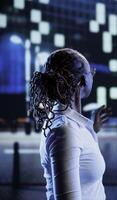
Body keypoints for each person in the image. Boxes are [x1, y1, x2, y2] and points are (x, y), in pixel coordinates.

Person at [29, 48, 111, 200]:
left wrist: (92, 129)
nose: (92, 76)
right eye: (91, 72)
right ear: (82, 81)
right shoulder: (65, 132)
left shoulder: (67, 124)